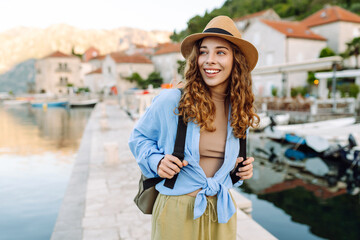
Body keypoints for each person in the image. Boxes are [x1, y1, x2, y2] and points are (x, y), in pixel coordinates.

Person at [129, 15, 259, 240]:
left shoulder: (241, 109)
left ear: (235, 60)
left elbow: (227, 167)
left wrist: (241, 172)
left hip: (222, 211)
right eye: (203, 52)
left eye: (220, 52)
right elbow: (138, 138)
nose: (209, 60)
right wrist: (156, 161)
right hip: (177, 212)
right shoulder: (173, 100)